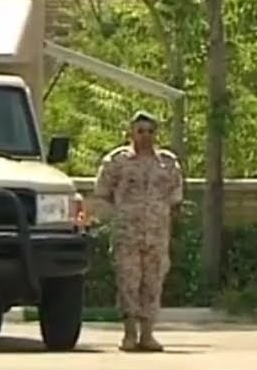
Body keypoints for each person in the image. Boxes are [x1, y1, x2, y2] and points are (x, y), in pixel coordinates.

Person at [93, 111, 184, 352]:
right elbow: (102, 193)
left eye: (150, 131)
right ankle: (129, 334)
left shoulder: (167, 163)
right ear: (131, 133)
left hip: (156, 234)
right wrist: (121, 215)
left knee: (153, 283)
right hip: (128, 234)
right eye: (140, 131)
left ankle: (148, 334)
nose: (146, 136)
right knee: (128, 282)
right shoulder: (117, 161)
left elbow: (175, 197)